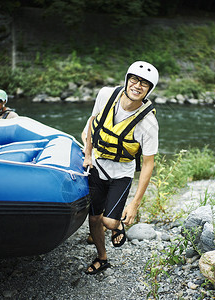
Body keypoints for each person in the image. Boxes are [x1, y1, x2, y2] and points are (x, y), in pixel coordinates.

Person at [83, 61, 159, 274]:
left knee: (108, 221)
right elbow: (92, 122)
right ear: (126, 79)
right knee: (94, 217)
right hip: (98, 166)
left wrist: (135, 204)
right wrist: (88, 154)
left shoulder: (149, 123)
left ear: (149, 90)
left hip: (122, 174)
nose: (137, 85)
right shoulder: (106, 95)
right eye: (134, 79)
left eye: (144, 83)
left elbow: (148, 163)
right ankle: (102, 257)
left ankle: (116, 225)